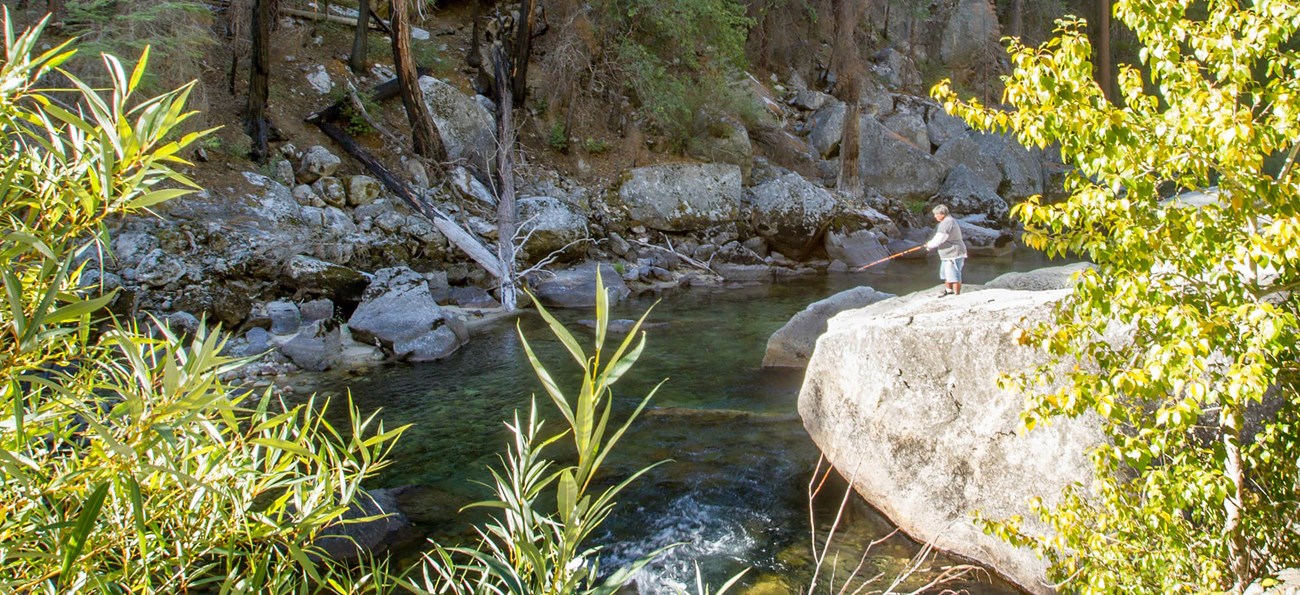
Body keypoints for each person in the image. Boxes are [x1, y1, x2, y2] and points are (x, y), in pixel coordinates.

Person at [925, 204, 967, 296]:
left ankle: (956, 295)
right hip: (947, 254)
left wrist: (930, 245)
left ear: (942, 214)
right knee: (947, 274)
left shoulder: (947, 222)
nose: (935, 216)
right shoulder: (947, 221)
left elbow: (941, 237)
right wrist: (929, 245)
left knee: (954, 275)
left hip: (954, 253)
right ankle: (948, 291)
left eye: (936, 214)